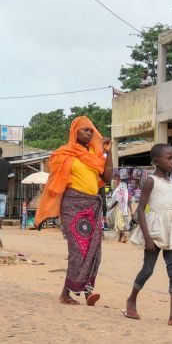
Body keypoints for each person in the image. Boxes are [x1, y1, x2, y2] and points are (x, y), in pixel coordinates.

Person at [35, 115, 113, 305]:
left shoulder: (95, 155)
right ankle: (66, 294)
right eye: (85, 130)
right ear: (74, 131)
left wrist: (108, 152)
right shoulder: (64, 154)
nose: (89, 133)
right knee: (78, 249)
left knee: (94, 250)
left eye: (91, 131)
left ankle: (88, 292)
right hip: (72, 204)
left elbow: (108, 178)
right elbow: (54, 173)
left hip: (93, 205)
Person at [123, 144, 172, 326]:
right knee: (148, 269)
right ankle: (131, 299)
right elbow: (140, 211)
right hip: (154, 231)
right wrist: (147, 238)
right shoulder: (150, 181)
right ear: (155, 161)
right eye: (169, 158)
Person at [108, 175, 131, 242]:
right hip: (122, 208)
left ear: (119, 180)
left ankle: (124, 236)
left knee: (119, 223)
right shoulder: (122, 188)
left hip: (119, 208)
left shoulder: (119, 189)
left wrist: (111, 208)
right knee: (119, 223)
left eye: (115, 180)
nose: (114, 181)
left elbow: (117, 200)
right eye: (113, 180)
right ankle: (120, 239)